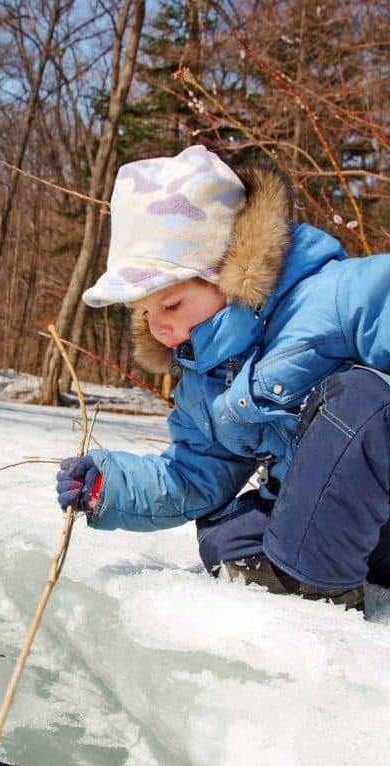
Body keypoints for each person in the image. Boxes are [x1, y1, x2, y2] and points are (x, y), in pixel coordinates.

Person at [56, 144, 390, 613]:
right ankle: (305, 570)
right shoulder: (205, 380)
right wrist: (109, 487)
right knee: (225, 533)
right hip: (337, 526)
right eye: (145, 312)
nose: (159, 326)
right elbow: (194, 474)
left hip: (376, 494)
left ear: (229, 270)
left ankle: (317, 587)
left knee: (359, 401)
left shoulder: (333, 298)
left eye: (171, 304)